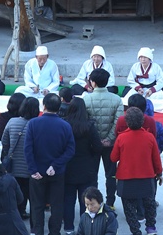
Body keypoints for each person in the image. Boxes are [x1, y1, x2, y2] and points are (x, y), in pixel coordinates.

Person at [24, 93, 75, 235]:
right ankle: (54, 231)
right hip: (57, 172)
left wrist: (33, 169)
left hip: (36, 172)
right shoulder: (65, 126)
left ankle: (37, 230)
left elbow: (28, 149)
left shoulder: (33, 123)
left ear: (44, 106)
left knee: (37, 204)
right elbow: (70, 150)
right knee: (57, 204)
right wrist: (56, 165)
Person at [111, 107, 163, 235]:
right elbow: (156, 158)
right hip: (147, 176)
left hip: (126, 177)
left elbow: (113, 157)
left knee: (129, 208)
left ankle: (135, 231)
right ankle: (151, 228)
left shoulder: (121, 138)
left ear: (127, 122)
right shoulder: (150, 137)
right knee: (149, 204)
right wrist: (159, 173)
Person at [83, 68, 124, 209]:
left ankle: (93, 202)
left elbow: (85, 122)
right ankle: (110, 202)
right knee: (111, 174)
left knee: (91, 175)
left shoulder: (86, 99)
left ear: (93, 83)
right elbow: (118, 122)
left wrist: (95, 140)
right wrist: (109, 138)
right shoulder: (116, 99)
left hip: (92, 145)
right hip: (110, 144)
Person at [63, 97, 103, 234]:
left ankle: (68, 228)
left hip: (68, 167)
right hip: (86, 167)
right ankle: (85, 228)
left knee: (68, 200)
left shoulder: (64, 124)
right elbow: (98, 147)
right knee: (86, 201)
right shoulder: (89, 126)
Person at [1, 97, 40, 219]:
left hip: (14, 165)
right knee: (31, 193)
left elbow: (4, 142)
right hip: (31, 166)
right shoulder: (37, 125)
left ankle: (18, 213)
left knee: (16, 192)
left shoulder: (12, 122)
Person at [123, 47, 163, 113]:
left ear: (150, 58)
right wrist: (138, 88)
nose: (143, 59)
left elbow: (161, 82)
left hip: (151, 89)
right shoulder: (135, 66)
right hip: (139, 88)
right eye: (141, 57)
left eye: (145, 57)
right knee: (128, 93)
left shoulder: (156, 67)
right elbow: (130, 80)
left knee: (162, 93)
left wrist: (152, 90)